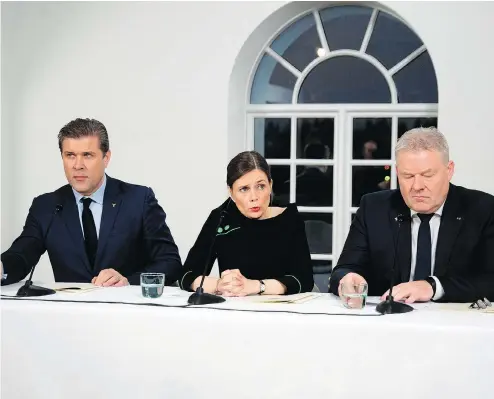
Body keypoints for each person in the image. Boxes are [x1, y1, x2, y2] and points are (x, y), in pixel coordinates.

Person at [1, 118, 182, 287]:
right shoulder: (46, 206)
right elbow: (21, 256)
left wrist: (128, 281)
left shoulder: (138, 199)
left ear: (106, 158)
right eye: (70, 155)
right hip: (67, 315)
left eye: (87, 155)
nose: (78, 165)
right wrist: (2, 268)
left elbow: (170, 263)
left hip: (128, 313)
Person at [330, 127, 494, 303]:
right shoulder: (374, 207)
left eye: (427, 175)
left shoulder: (482, 208)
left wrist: (433, 287)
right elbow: (344, 270)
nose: (417, 186)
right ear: (397, 173)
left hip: (455, 324)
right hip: (387, 321)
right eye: (408, 176)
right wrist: (348, 279)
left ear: (449, 170)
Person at [179, 151, 314, 296]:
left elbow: (304, 280)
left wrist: (256, 286)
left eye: (261, 186)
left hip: (281, 311)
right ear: (231, 192)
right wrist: (218, 285)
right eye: (244, 189)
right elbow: (186, 276)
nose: (254, 197)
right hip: (235, 312)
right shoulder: (221, 217)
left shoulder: (289, 218)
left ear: (270, 185)